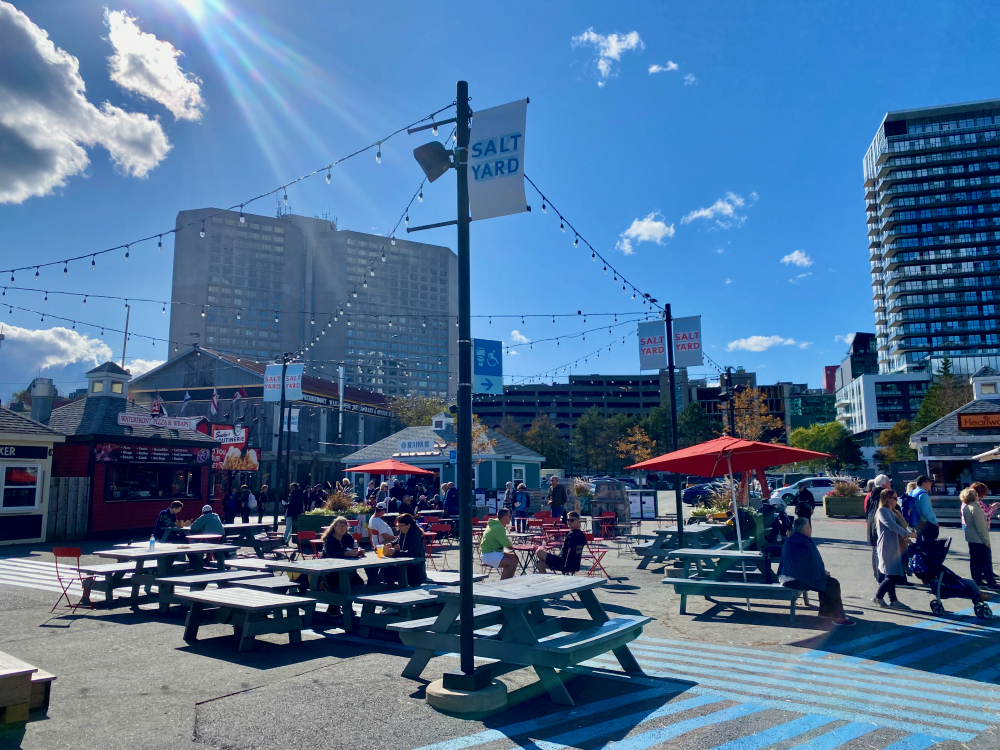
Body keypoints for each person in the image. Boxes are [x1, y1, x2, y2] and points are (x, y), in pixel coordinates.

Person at [778, 517, 855, 626]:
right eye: (809, 527)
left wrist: (822, 573)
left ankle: (825, 612)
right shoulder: (799, 541)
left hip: (793, 575)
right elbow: (805, 565)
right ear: (804, 529)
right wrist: (822, 574)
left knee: (825, 581)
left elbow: (807, 564)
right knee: (832, 583)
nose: (811, 529)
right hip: (793, 579)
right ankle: (838, 617)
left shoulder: (796, 538)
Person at [873, 488, 917, 609]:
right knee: (893, 575)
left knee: (893, 574)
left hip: (897, 545)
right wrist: (908, 534)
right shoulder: (883, 511)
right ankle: (878, 597)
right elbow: (891, 525)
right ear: (887, 498)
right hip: (888, 547)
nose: (897, 500)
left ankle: (893, 600)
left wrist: (906, 535)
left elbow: (900, 526)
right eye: (894, 498)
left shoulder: (894, 511)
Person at [961, 487, 998, 589]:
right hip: (979, 539)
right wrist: (986, 541)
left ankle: (977, 579)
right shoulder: (976, 508)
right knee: (986, 561)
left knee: (975, 561)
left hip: (971, 538)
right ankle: (991, 582)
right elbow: (981, 527)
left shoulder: (966, 507)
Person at [383, 513, 425, 586]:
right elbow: (398, 540)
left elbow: (413, 553)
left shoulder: (415, 534)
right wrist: (392, 544)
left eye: (401, 526)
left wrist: (395, 553)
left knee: (387, 571)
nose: (399, 528)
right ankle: (384, 588)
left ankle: (387, 588)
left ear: (408, 525)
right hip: (405, 564)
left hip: (415, 568)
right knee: (385, 569)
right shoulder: (403, 532)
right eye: (398, 526)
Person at [866, 474, 891, 580]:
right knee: (879, 550)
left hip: (872, 524)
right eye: (888, 482)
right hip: (878, 525)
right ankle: (881, 576)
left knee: (876, 550)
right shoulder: (883, 495)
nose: (890, 484)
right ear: (884, 484)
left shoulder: (872, 494)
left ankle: (878, 574)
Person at [480, 509, 518, 579]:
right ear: (504, 517)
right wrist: (511, 544)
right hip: (489, 554)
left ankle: (508, 579)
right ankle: (504, 583)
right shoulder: (498, 527)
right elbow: (507, 544)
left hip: (492, 552)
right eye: (509, 516)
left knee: (514, 558)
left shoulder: (496, 525)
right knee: (512, 563)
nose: (510, 518)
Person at [911, 475, 938, 543]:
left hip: (916, 523)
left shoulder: (913, 492)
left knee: (920, 544)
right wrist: (935, 522)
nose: (931, 484)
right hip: (925, 523)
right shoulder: (923, 495)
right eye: (929, 482)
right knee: (929, 546)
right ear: (923, 483)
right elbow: (926, 511)